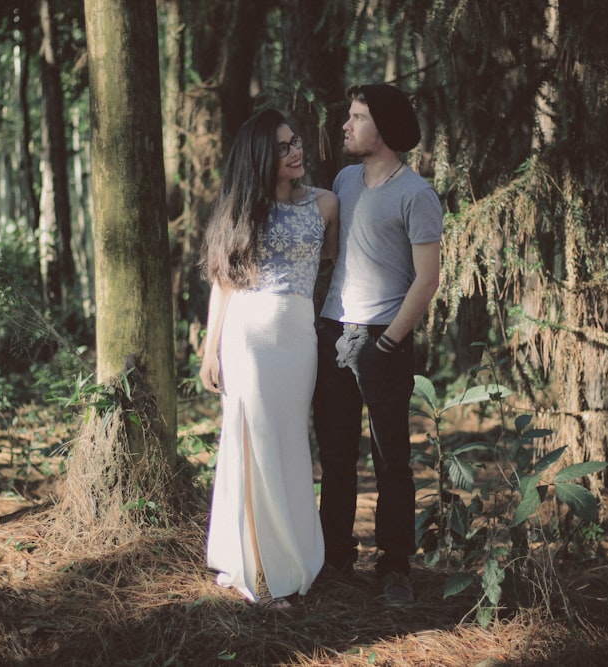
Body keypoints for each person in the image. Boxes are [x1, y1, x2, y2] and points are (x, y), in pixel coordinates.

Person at [200, 108, 338, 609]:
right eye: (282, 147)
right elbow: (224, 282)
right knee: (253, 442)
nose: (295, 151)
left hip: (299, 335)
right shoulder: (243, 209)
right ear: (262, 155)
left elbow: (329, 262)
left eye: (295, 141)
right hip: (248, 335)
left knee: (289, 441)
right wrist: (210, 349)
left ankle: (296, 553)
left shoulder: (326, 205)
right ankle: (259, 571)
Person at [313, 84, 443, 607]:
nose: (346, 125)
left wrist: (388, 342)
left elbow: (428, 279)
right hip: (332, 331)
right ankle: (335, 558)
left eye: (358, 117)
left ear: (383, 128)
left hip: (382, 339)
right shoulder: (344, 180)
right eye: (350, 115)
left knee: (391, 459)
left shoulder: (416, 193)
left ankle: (393, 566)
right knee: (337, 457)